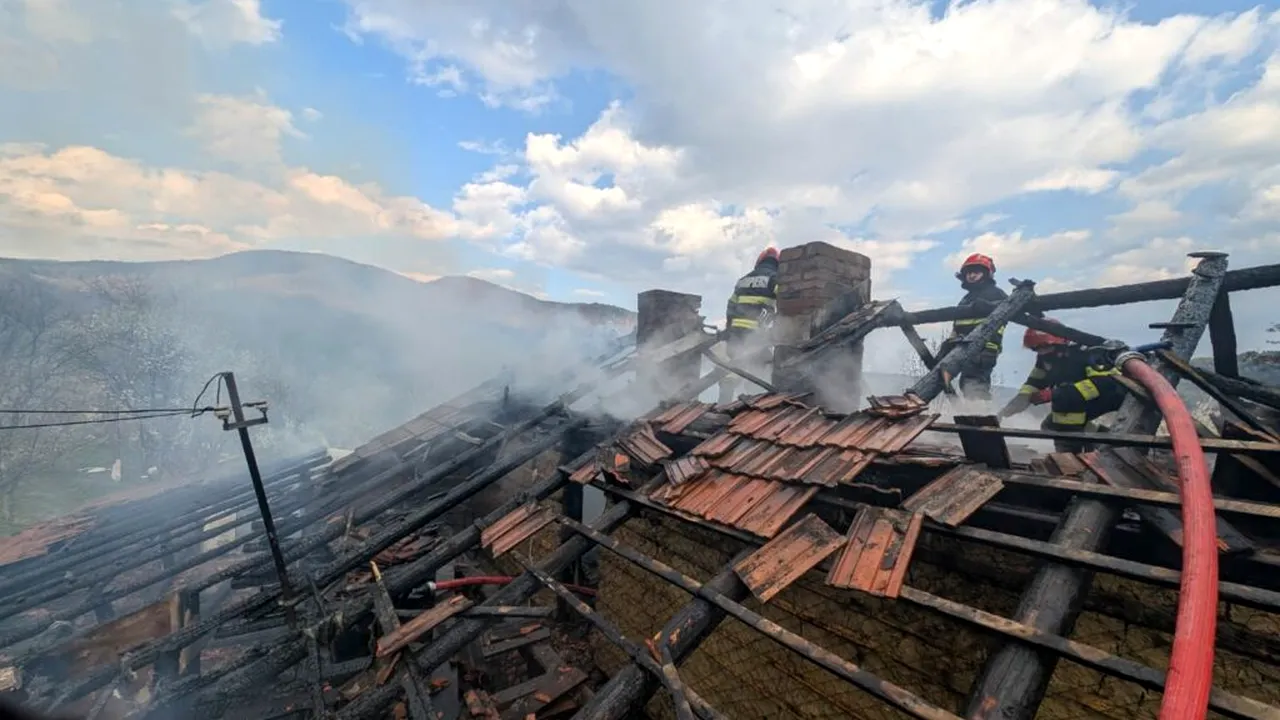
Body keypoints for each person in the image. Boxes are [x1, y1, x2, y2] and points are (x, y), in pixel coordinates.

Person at [997, 319, 1126, 452]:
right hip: (1078, 398)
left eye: (1045, 347)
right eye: (1037, 349)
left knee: (1063, 414)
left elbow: (1104, 383)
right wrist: (1008, 410)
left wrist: (1054, 394)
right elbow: (1033, 384)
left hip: (1114, 395)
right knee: (1050, 425)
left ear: (1061, 343)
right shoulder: (1046, 359)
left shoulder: (1084, 353)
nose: (1042, 353)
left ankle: (1070, 455)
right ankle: (1102, 442)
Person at [937, 253, 1009, 401]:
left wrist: (988, 307)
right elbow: (958, 325)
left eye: (976, 272)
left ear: (986, 274)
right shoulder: (967, 298)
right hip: (963, 346)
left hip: (985, 348)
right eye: (969, 272)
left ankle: (982, 415)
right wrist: (949, 343)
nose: (971, 275)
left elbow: (1008, 312)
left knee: (974, 383)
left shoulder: (995, 293)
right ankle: (966, 412)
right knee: (946, 374)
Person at [718, 247, 780, 403]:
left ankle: (723, 403)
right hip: (756, 333)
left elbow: (730, 305)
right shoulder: (774, 278)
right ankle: (752, 405)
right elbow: (784, 300)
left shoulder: (743, 280)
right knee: (760, 369)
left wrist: (729, 329)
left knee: (732, 368)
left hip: (735, 332)